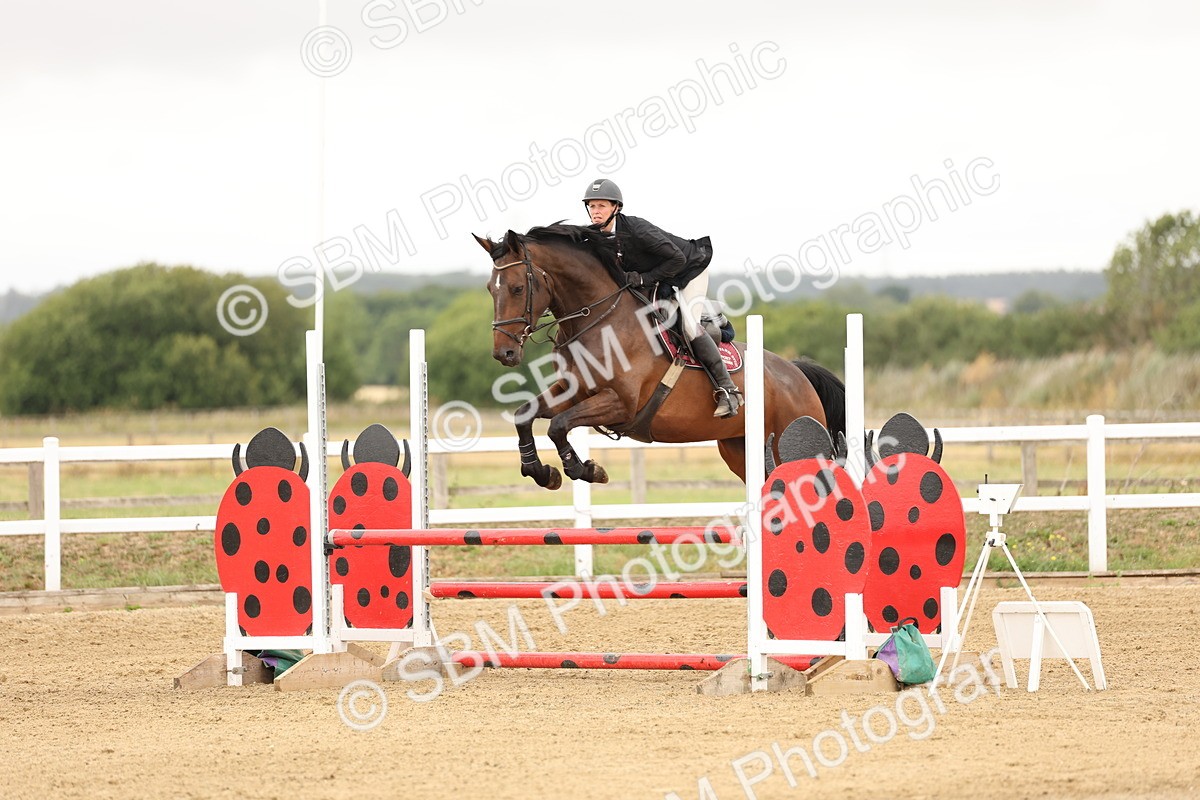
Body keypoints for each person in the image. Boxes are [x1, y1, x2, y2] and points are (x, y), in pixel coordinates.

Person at [581, 178, 743, 418]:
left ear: (616, 208)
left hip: (689, 270)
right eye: (592, 206)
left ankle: (728, 390)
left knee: (689, 326)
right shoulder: (595, 237)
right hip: (661, 277)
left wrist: (643, 279)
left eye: (602, 206)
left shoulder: (637, 230)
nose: (596, 211)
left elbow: (677, 259)